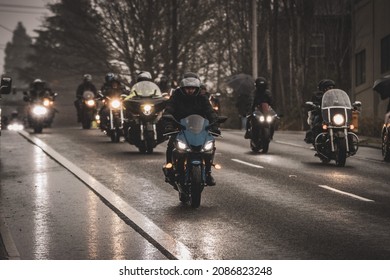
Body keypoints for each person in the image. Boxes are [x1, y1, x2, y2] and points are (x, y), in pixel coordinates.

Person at [163, 73, 219, 186]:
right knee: (171, 144)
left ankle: (208, 172)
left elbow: (210, 112)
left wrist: (215, 125)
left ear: (197, 88)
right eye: (188, 88)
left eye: (192, 88)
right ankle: (169, 168)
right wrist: (169, 124)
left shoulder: (202, 97)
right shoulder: (176, 96)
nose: (190, 91)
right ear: (183, 88)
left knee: (209, 145)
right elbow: (169, 109)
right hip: (180, 127)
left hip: (199, 128)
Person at [304, 79, 335, 144]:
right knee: (317, 123)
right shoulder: (317, 95)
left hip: (334, 115)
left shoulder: (335, 96)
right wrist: (315, 106)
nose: (331, 89)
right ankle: (316, 141)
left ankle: (350, 143)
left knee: (347, 125)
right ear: (324, 88)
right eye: (329, 88)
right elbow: (313, 103)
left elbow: (342, 102)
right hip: (321, 114)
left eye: (332, 87)